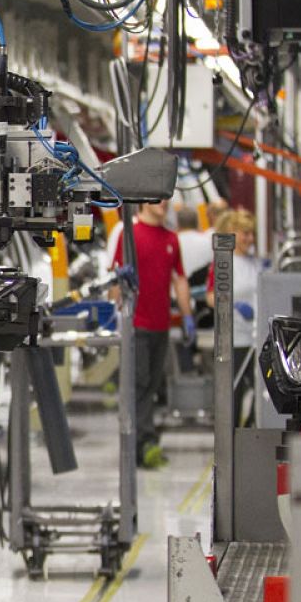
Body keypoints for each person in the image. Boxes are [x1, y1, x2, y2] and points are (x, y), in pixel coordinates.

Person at [111, 199, 194, 470]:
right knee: (139, 384)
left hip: (161, 325)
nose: (164, 204)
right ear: (143, 203)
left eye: (166, 199)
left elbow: (179, 279)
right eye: (158, 200)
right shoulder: (130, 235)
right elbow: (116, 279)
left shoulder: (171, 238)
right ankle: (143, 443)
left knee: (152, 385)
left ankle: (142, 442)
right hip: (136, 324)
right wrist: (117, 316)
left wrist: (187, 316)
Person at [206, 210, 262, 423]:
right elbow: (211, 296)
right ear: (232, 233)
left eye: (251, 234)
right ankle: (230, 445)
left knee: (261, 394)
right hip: (234, 340)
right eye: (245, 233)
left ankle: (249, 434)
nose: (250, 238)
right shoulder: (223, 262)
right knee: (233, 397)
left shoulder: (254, 261)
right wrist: (232, 305)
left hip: (256, 338)